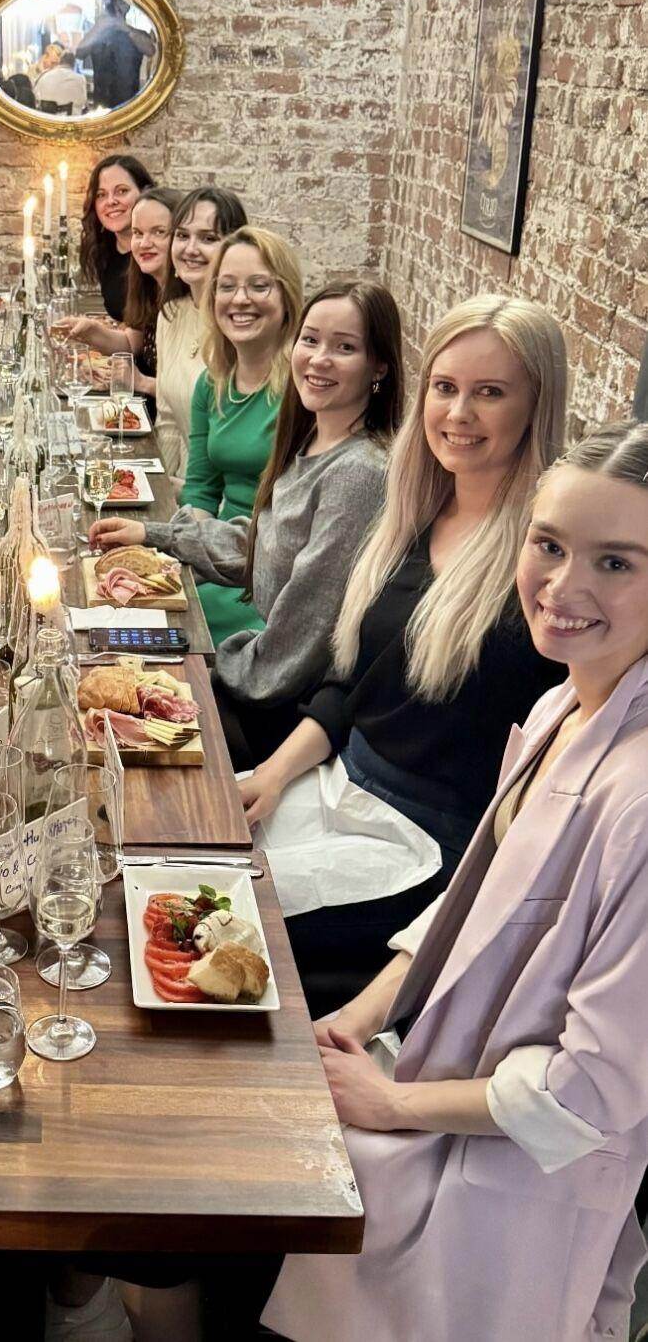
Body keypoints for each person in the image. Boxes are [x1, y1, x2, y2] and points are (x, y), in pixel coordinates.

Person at [263, 420, 648, 1342]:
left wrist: (390, 1104)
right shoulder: (563, 701)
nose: (563, 588)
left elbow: (587, 1094)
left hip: (514, 1186)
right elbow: (475, 905)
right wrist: (361, 1013)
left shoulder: (637, 796)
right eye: (549, 546)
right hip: (442, 1087)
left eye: (617, 564)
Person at [242, 294, 567, 1014]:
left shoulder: (545, 561)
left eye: (490, 394)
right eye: (446, 389)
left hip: (423, 845)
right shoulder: (415, 514)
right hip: (336, 785)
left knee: (219, 914)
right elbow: (351, 685)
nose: (458, 414)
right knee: (175, 855)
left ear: (536, 406)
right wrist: (271, 774)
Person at [91, 280, 403, 771]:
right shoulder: (312, 443)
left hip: (280, 717)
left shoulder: (359, 473)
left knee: (110, 737)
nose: (319, 358)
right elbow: (259, 545)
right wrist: (156, 535)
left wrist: (211, 668)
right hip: (261, 684)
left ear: (379, 366)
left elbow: (307, 629)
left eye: (345, 347)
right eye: (311, 339)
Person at [170, 225, 302, 647]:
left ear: (286, 297)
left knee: (167, 633)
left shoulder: (303, 390)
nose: (240, 299)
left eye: (259, 286)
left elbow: (291, 537)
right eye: (226, 287)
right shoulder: (213, 384)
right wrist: (183, 552)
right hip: (219, 557)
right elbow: (201, 493)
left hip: (268, 580)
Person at [55, 187, 182, 410]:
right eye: (138, 233)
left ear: (182, 237)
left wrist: (143, 383)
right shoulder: (151, 288)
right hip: (146, 414)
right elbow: (131, 344)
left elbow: (199, 394)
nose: (144, 243)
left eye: (159, 232)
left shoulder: (190, 303)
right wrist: (91, 331)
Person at [154, 186, 248, 487]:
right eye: (182, 235)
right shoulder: (171, 313)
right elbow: (167, 421)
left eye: (208, 239)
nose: (190, 249)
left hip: (227, 501)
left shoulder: (240, 326)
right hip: (185, 486)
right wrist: (156, 492)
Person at [78, 154, 155, 323]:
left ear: (145, 193)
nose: (111, 201)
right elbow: (131, 330)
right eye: (101, 195)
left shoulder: (157, 252)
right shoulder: (104, 249)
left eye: (122, 191)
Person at [76, 0, 157, 109]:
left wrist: (125, 28)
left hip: (129, 104)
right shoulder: (98, 34)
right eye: (118, 2)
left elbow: (150, 50)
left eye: (123, 3)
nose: (119, 7)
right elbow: (79, 53)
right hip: (101, 105)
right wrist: (98, 28)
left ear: (128, 7)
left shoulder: (136, 34)